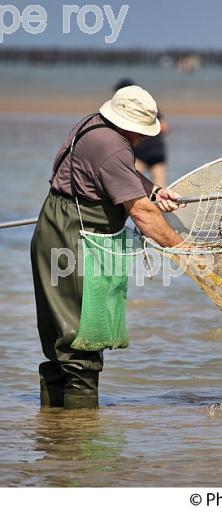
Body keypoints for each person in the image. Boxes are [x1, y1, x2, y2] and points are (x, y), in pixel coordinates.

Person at [31, 86, 183, 410]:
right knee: (80, 346)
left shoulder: (92, 124)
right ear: (126, 124)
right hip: (72, 240)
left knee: (60, 348)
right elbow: (142, 214)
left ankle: (56, 437)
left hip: (53, 231)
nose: (144, 138)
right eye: (141, 132)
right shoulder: (113, 148)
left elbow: (114, 176)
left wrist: (154, 190)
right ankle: (87, 447)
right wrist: (183, 247)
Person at [114, 79, 170, 186]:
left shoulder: (126, 109)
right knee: (160, 188)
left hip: (140, 152)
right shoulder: (149, 106)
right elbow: (165, 128)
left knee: (131, 183)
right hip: (157, 150)